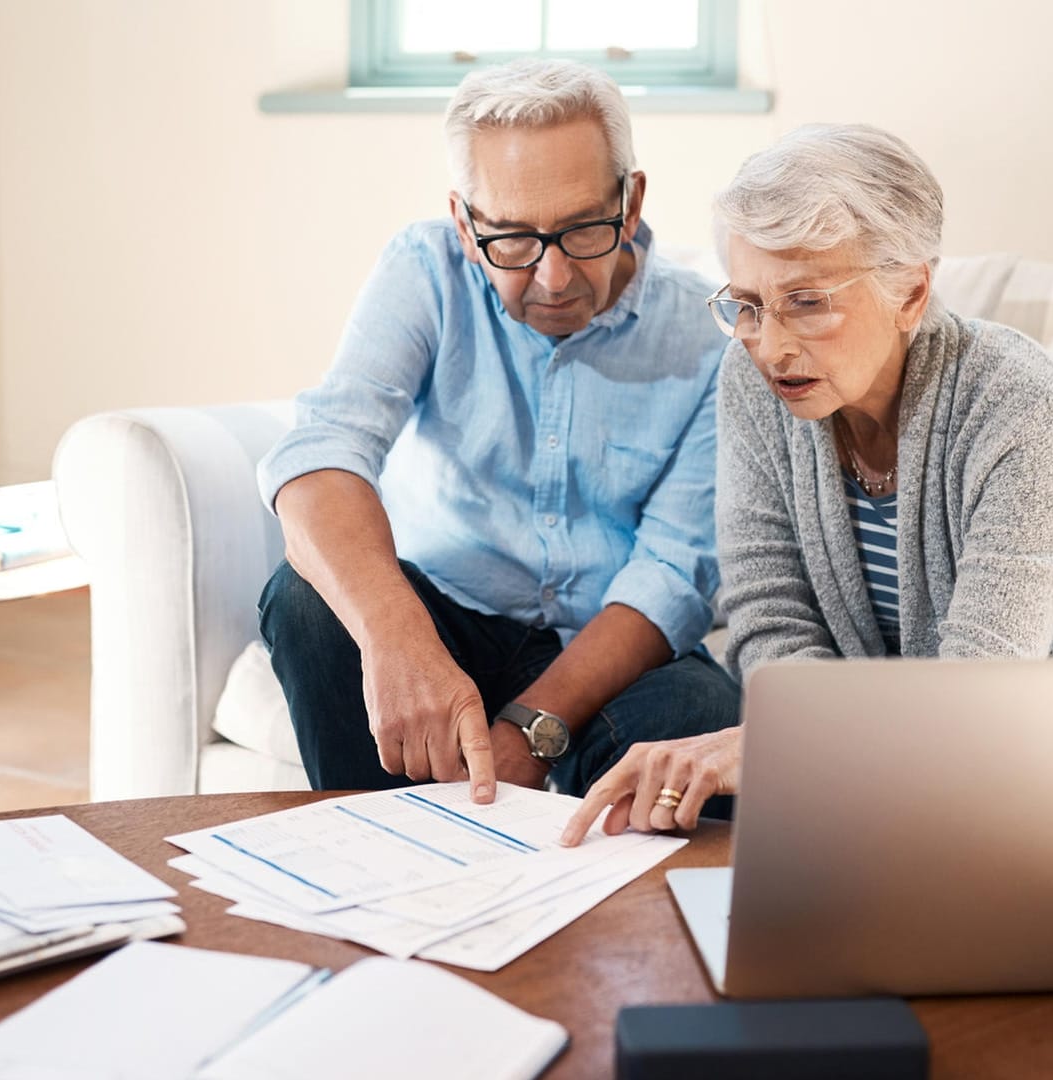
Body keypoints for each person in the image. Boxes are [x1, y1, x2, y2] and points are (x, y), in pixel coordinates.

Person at [560, 124, 1053, 844]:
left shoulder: (1019, 401)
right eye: (748, 305)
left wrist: (787, 749)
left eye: (808, 302)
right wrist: (819, 748)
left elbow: (983, 692)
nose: (770, 345)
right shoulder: (754, 384)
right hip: (893, 749)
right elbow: (767, 620)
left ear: (910, 293)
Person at [257, 59, 739, 807]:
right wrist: (397, 639)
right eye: (511, 238)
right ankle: (371, 852)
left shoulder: (712, 338)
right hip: (447, 613)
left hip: (607, 647)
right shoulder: (425, 269)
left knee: (704, 715)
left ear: (632, 200)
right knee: (305, 604)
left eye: (584, 230)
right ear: (463, 220)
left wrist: (527, 733)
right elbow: (324, 453)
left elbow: (675, 573)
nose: (552, 279)